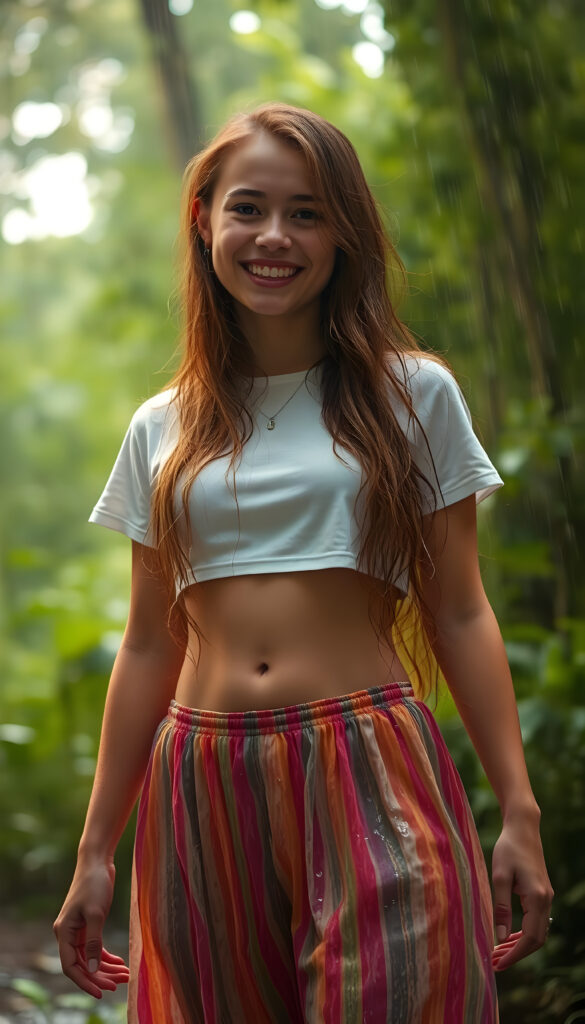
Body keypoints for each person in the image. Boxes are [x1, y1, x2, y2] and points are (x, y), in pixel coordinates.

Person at [54, 102, 553, 1023]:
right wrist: (95, 851)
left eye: (307, 213)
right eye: (248, 208)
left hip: (368, 762)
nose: (274, 236)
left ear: (343, 234)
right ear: (203, 220)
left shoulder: (413, 395)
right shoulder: (162, 426)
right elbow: (148, 644)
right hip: (201, 778)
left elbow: (459, 612)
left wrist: (517, 812)